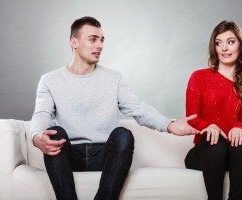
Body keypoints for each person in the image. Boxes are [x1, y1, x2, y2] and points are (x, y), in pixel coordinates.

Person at [31, 16, 198, 200]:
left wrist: (169, 124)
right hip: (69, 156)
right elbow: (42, 114)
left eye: (102, 40)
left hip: (104, 156)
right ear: (74, 42)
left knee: (123, 134)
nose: (100, 45)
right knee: (55, 131)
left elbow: (138, 108)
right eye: (93, 39)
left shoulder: (114, 78)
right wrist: (36, 136)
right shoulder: (49, 80)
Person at [184, 20, 242, 200]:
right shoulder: (199, 77)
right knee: (216, 143)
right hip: (207, 152)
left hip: (237, 154)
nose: (224, 48)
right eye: (218, 43)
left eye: (230, 42)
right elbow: (192, 118)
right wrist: (209, 126)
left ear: (240, 45)